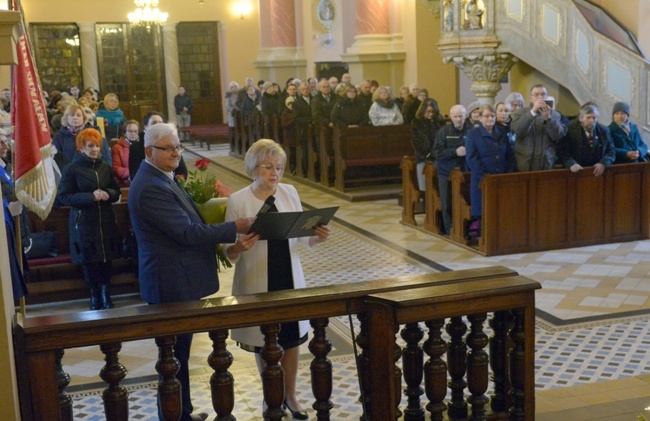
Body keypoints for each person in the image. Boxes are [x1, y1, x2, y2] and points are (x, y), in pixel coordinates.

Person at [129, 123, 254, 421]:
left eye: (178, 147)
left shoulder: (161, 177)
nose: (176, 153)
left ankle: (181, 413)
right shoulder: (150, 187)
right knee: (172, 360)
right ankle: (174, 417)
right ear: (149, 151)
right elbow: (186, 233)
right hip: (169, 284)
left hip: (178, 281)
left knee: (179, 359)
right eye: (168, 148)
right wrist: (233, 227)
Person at [224, 138, 330, 420]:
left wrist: (316, 236)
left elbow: (302, 236)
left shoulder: (289, 192)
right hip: (258, 279)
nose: (275, 173)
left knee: (292, 339)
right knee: (265, 341)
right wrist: (238, 247)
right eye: (268, 167)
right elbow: (227, 252)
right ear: (253, 168)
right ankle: (271, 398)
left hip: (288, 276)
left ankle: (292, 396)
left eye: (279, 167)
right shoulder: (238, 200)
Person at [56, 128, 122, 310]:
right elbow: (64, 197)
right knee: (90, 260)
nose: (94, 150)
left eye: (97, 146)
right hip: (84, 222)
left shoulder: (105, 167)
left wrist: (108, 194)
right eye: (90, 146)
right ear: (81, 148)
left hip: (105, 219)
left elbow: (115, 191)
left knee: (106, 258)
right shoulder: (72, 169)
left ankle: (106, 294)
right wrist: (90, 197)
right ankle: (94, 296)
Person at [465, 105, 516, 237]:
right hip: (482, 180)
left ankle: (502, 237)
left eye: (492, 116)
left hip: (501, 179)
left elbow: (509, 155)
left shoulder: (501, 132)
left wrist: (507, 174)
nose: (490, 119)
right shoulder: (473, 134)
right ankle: (486, 239)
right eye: (486, 116)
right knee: (485, 210)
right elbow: (471, 158)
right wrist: (484, 177)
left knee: (501, 209)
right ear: (480, 118)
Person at [510, 84, 567, 171]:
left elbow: (558, 136)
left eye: (543, 94)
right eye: (536, 95)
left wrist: (549, 119)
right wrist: (532, 112)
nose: (540, 97)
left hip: (546, 162)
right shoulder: (519, 113)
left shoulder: (555, 114)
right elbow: (519, 131)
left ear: (546, 96)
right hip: (525, 162)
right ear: (530, 98)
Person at [0, 128, 29, 302]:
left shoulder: (6, 166)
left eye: (5, 141)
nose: (5, 146)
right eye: (0, 142)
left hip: (12, 224)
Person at [433, 105, 470, 234]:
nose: (458, 119)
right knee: (447, 203)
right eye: (455, 116)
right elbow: (438, 152)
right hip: (446, 172)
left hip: (465, 172)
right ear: (451, 117)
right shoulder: (443, 132)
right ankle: (449, 229)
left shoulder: (470, 131)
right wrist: (454, 152)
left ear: (465, 116)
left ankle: (464, 229)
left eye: (461, 116)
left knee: (465, 202)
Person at [557, 103, 615, 176]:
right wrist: (570, 163)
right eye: (588, 117)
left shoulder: (604, 130)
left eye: (594, 118)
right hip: (576, 172)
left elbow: (611, 151)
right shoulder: (570, 129)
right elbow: (562, 151)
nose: (591, 121)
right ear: (581, 118)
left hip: (598, 172)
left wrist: (603, 163)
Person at [129, 111, 188, 181]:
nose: (158, 126)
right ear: (145, 126)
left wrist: (176, 182)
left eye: (160, 123)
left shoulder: (173, 144)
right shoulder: (136, 148)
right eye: (154, 123)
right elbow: (135, 175)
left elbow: (182, 170)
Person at [52, 104, 111, 169]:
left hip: (92, 173)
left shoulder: (94, 133)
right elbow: (57, 161)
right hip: (69, 174)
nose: (75, 117)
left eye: (79, 115)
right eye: (72, 115)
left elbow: (106, 158)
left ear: (84, 118)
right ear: (66, 118)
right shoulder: (59, 137)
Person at [410, 98, 444, 191]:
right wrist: (428, 154)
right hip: (423, 158)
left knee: (438, 186)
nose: (431, 114)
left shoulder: (439, 122)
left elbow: (443, 139)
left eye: (433, 111)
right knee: (425, 187)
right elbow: (416, 141)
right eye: (428, 111)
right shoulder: (417, 123)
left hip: (438, 157)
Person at [293, 82, 313, 177]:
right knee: (305, 151)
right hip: (303, 130)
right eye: (303, 89)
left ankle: (315, 170)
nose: (306, 91)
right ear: (300, 91)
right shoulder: (297, 102)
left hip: (314, 129)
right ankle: (306, 170)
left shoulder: (314, 99)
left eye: (307, 89)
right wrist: (309, 120)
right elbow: (296, 117)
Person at [112, 120, 139, 188]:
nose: (133, 133)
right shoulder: (117, 148)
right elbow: (116, 168)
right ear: (124, 133)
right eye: (130, 131)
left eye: (135, 131)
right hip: (126, 183)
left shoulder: (143, 146)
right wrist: (132, 173)